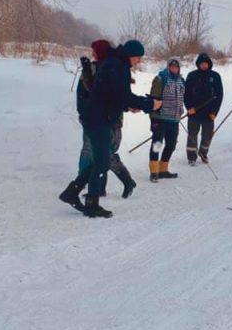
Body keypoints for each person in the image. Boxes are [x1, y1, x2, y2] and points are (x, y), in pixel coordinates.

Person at [60, 39, 160, 217]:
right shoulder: (117, 67)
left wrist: (128, 106)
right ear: (130, 55)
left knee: (101, 160)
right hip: (98, 119)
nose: (139, 61)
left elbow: (113, 96)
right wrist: (150, 104)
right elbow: (123, 96)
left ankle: (73, 193)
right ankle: (88, 202)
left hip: (100, 118)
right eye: (138, 58)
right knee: (102, 162)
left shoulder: (114, 64)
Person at [148, 57, 185, 182]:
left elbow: (181, 98)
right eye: (172, 66)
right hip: (161, 118)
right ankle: (154, 171)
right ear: (168, 67)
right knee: (157, 145)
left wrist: (181, 110)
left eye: (176, 67)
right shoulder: (160, 79)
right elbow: (153, 99)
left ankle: (163, 169)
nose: (174, 68)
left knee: (171, 145)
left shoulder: (181, 80)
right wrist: (154, 119)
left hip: (174, 120)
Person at [184, 52, 223, 165]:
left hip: (209, 114)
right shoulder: (192, 75)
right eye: (202, 63)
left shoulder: (215, 76)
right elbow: (186, 94)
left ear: (209, 64)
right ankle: (191, 157)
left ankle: (203, 153)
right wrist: (189, 107)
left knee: (207, 135)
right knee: (192, 135)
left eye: (206, 63)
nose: (204, 65)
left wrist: (214, 112)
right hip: (194, 113)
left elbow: (219, 95)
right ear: (198, 64)